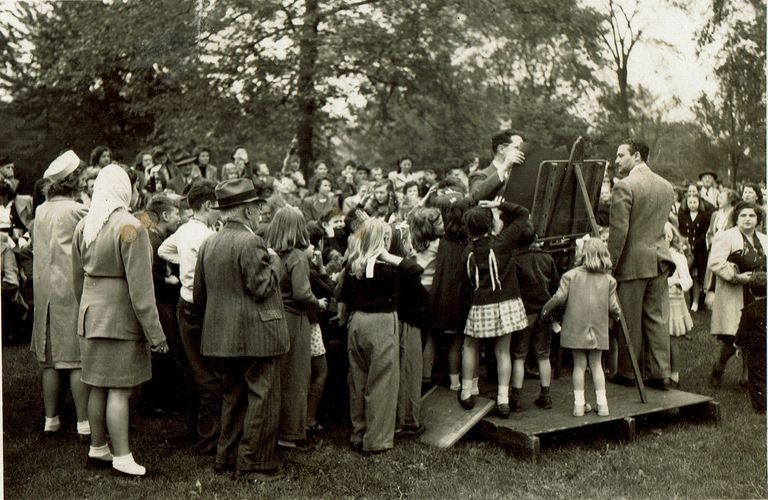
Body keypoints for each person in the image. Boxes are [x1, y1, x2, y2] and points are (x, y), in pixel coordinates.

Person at [72, 164, 168, 477]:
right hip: (120, 319)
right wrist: (157, 334)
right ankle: (122, 456)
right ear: (124, 189)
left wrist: (86, 310)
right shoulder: (131, 226)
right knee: (119, 390)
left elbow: (77, 279)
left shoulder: (85, 225)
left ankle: (98, 447)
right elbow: (141, 291)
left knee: (97, 385)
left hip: (90, 314)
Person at [193, 178, 289, 481]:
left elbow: (199, 295)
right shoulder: (251, 242)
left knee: (232, 398)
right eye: (257, 209)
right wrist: (276, 262)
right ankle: (255, 464)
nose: (260, 214)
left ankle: (227, 458)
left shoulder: (209, 242)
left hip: (221, 335)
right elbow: (262, 287)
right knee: (262, 396)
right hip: (257, 334)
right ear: (247, 212)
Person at [338, 219, 423, 454]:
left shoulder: (353, 265)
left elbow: (343, 299)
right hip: (382, 323)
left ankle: (358, 433)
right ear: (380, 241)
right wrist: (387, 255)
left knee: (358, 379)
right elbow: (416, 270)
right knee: (382, 381)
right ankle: (376, 439)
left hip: (357, 322)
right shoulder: (389, 269)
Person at [30, 151, 90, 439]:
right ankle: (83, 423)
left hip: (45, 291)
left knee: (50, 359)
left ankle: (51, 419)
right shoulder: (77, 211)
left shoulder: (41, 210)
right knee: (76, 359)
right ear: (73, 181)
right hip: (70, 288)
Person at [157, 180, 221, 454]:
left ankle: (195, 430)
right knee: (210, 374)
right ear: (207, 206)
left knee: (196, 368)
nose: (220, 211)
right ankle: (208, 440)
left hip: (184, 302)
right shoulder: (207, 237)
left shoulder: (184, 230)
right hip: (201, 306)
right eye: (218, 206)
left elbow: (163, 250)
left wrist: (185, 263)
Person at [607, 138, 675, 389]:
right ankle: (661, 373)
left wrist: (609, 267)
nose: (616, 160)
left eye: (620, 155)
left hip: (633, 263)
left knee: (629, 320)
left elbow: (619, 233)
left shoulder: (624, 186)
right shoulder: (666, 186)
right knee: (657, 319)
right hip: (660, 259)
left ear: (636, 156)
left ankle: (627, 373)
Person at [264, 206, 328, 451]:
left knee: (281, 376)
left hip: (278, 317)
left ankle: (278, 430)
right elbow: (302, 293)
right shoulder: (299, 256)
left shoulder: (273, 254)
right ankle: (291, 434)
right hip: (297, 319)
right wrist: (318, 302)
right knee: (298, 377)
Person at [459, 200, 530, 417]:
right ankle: (503, 399)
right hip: (508, 303)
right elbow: (523, 213)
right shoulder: (503, 242)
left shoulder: (468, 252)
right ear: (491, 224)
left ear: (469, 229)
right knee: (503, 351)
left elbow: (469, 281)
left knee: (470, 346)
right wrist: (499, 204)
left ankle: (466, 392)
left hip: (482, 304)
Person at [542, 238, 622, 417]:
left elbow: (558, 298)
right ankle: (602, 405)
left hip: (575, 329)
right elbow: (613, 306)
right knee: (597, 366)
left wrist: (545, 310)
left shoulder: (570, 276)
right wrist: (618, 316)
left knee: (579, 366)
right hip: (598, 330)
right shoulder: (609, 280)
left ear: (582, 254)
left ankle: (579, 406)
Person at [708, 201, 767, 388]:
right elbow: (715, 263)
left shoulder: (764, 239)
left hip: (758, 294)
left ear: (758, 219)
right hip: (735, 293)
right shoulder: (726, 237)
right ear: (736, 218)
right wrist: (737, 277)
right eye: (743, 215)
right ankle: (719, 368)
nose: (748, 219)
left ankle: (747, 377)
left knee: (756, 334)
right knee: (733, 336)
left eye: (752, 215)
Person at [139, 195, 182, 416]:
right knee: (164, 349)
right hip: (158, 301)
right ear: (165, 215)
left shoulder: (155, 236)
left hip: (162, 301)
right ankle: (155, 402)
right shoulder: (153, 241)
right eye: (176, 213)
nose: (179, 218)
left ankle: (160, 399)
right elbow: (146, 274)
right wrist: (167, 281)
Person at [511, 227, 560, 411]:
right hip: (544, 314)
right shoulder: (547, 258)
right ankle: (545, 396)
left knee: (518, 357)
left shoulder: (515, 260)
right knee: (543, 356)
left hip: (523, 314)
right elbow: (556, 284)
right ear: (536, 238)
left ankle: (515, 399)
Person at [428, 195, 473, 393]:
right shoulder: (469, 241)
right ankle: (464, 384)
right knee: (463, 343)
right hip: (464, 296)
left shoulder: (442, 241)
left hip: (443, 296)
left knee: (443, 341)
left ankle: (447, 382)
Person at [390, 224, 427, 438]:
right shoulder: (407, 270)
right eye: (408, 242)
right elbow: (422, 296)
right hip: (408, 326)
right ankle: (408, 421)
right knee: (410, 371)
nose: (411, 245)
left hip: (395, 323)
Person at [407, 207, 443, 390]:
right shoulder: (438, 244)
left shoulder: (412, 241)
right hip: (431, 290)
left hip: (415, 288)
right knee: (431, 336)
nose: (442, 224)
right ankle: (426, 376)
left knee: (417, 336)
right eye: (439, 222)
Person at [664, 223, 693, 387]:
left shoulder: (678, 257)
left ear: (671, 238)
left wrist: (675, 283)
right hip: (655, 301)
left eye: (665, 236)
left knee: (671, 338)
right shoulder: (653, 254)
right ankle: (659, 371)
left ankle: (674, 374)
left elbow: (687, 280)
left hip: (673, 300)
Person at [734, 272, 767, 413]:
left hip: (757, 349)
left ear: (750, 290)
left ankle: (761, 406)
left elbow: (743, 332)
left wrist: (738, 345)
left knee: (756, 376)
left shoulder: (749, 311)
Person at [468, 130, 525, 202]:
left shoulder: (521, 175)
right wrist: (504, 167)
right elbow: (477, 196)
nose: (521, 151)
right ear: (501, 149)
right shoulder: (479, 175)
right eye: (517, 148)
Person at [678, 193, 709, 312]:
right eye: (690, 202)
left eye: (694, 202)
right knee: (685, 274)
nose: (692, 205)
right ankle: (685, 302)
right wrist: (685, 243)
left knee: (696, 277)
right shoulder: (682, 215)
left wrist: (694, 244)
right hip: (686, 250)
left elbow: (704, 233)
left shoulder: (703, 216)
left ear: (699, 203)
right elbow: (680, 230)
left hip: (699, 251)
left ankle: (695, 302)